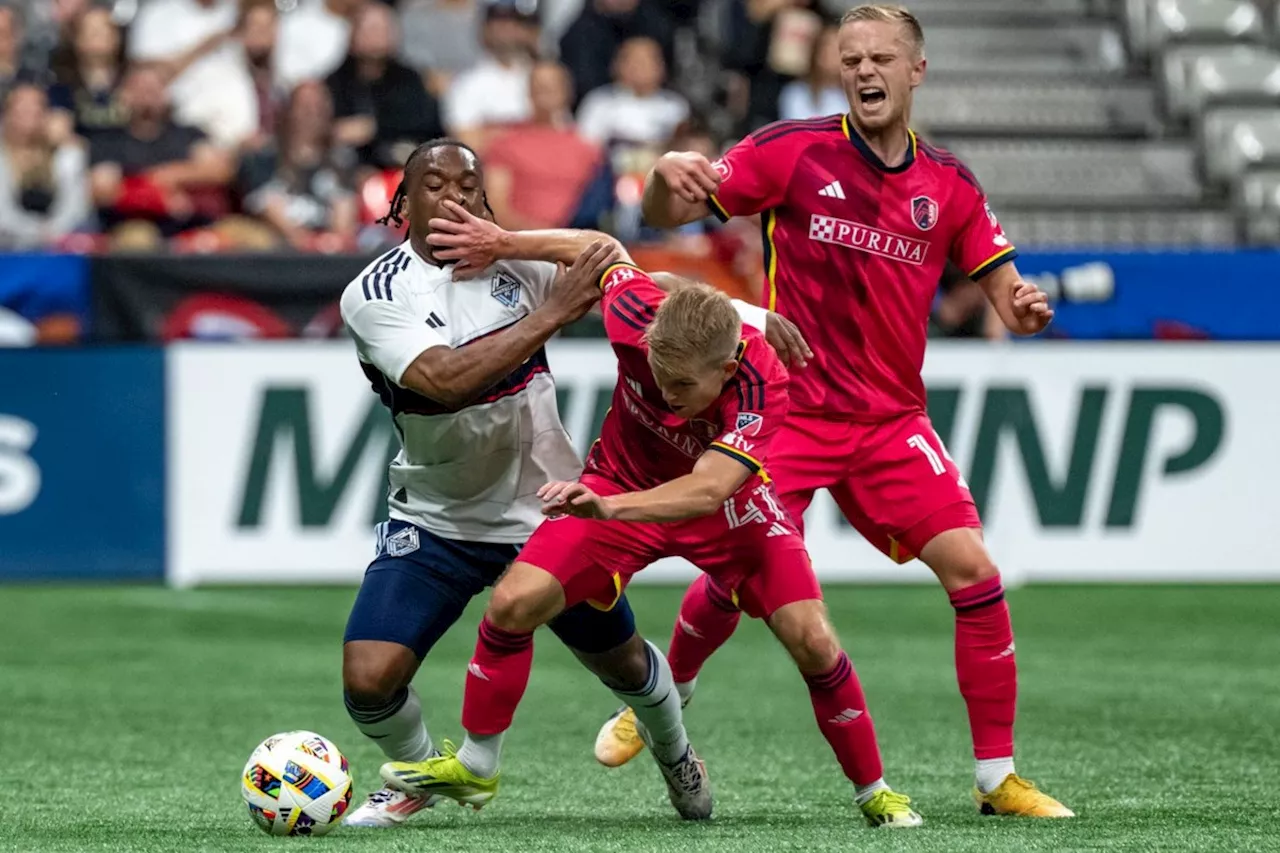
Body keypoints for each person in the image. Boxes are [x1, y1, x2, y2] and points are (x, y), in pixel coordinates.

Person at [597, 3, 1074, 819]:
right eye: (849, 58)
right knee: (745, 572)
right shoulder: (792, 152)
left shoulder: (949, 184)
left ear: (915, 70)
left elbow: (1001, 281)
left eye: (881, 57)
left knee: (976, 572)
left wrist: (1019, 305)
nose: (863, 71)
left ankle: (997, 778)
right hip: (787, 410)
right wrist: (666, 187)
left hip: (891, 421)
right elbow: (669, 211)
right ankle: (665, 695)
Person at [378, 211, 922, 828]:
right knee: (511, 604)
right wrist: (505, 242)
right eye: (658, 376)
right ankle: (478, 768)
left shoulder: (765, 383)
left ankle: (873, 790)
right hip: (623, 481)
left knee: (816, 643)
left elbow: (708, 489)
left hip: (728, 512)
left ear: (728, 366)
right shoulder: (636, 314)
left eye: (682, 385)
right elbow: (602, 249)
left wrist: (605, 507)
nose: (666, 394)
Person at [336, 137, 709, 828]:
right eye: (433, 185)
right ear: (403, 201)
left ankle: (676, 750)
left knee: (625, 665)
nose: (452, 198)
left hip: (549, 510)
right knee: (367, 679)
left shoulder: (518, 264)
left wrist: (516, 242)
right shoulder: (376, 291)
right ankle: (423, 774)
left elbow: (607, 255)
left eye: (468, 186)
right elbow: (442, 381)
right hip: (438, 517)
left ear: (485, 197)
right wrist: (552, 313)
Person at [0, 83, 88, 248]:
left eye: (37, 108)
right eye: (22, 108)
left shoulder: (66, 154)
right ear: (7, 114)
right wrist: (35, 233)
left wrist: (54, 232)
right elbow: (2, 214)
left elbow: (76, 209)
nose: (30, 114)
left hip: (58, 241)